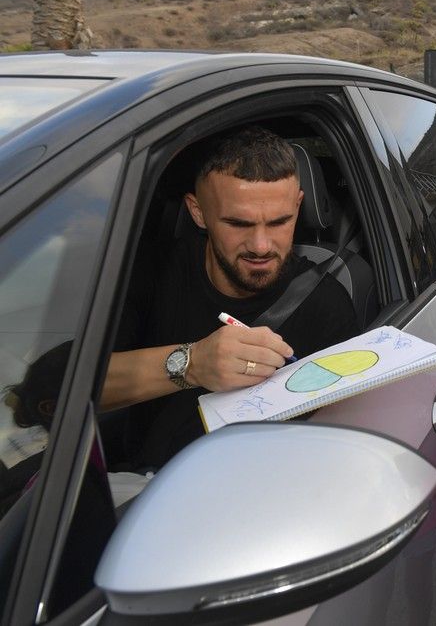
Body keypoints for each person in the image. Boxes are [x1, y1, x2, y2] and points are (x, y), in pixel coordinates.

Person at [102, 126, 359, 469]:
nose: (261, 246)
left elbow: (337, 447)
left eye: (280, 222)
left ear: (298, 206)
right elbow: (72, 389)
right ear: (197, 212)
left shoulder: (327, 306)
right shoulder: (150, 272)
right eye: (238, 224)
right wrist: (191, 364)